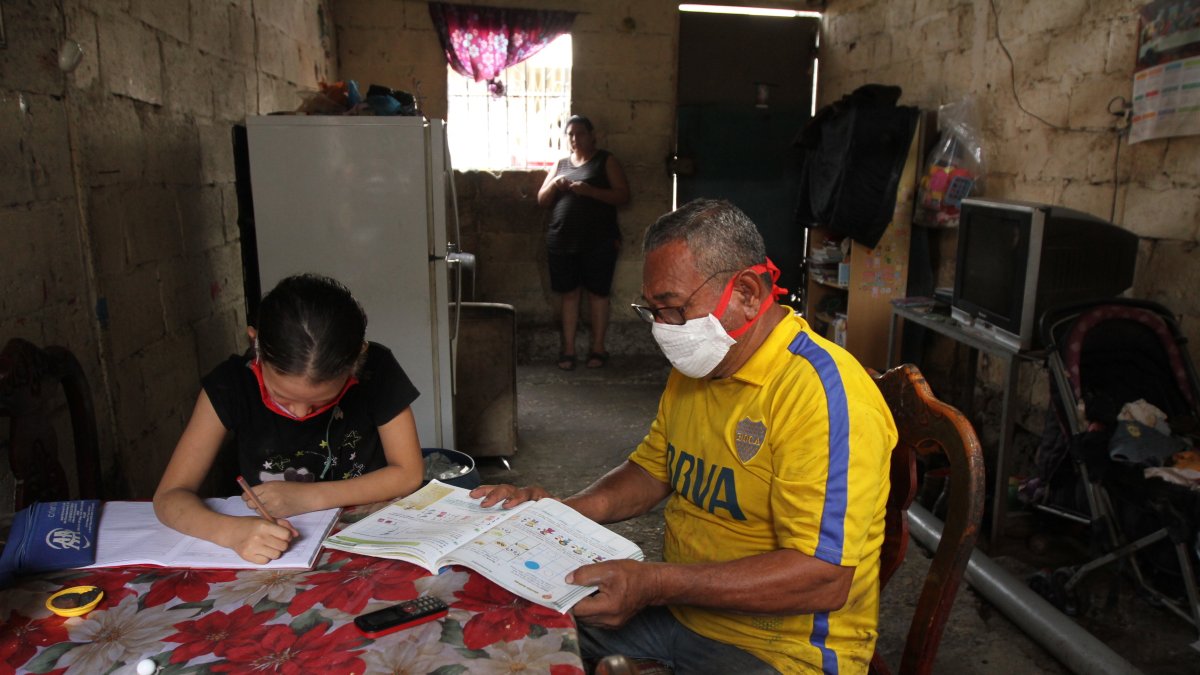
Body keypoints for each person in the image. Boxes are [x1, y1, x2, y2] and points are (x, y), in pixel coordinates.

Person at [473, 199, 897, 673]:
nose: (663, 330)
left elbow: (822, 580)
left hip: (782, 651)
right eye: (651, 310)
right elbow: (651, 471)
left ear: (748, 293)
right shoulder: (702, 367)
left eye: (673, 308)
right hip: (682, 613)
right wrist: (554, 514)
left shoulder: (819, 396)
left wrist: (654, 583)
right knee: (506, 628)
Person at [154, 273, 425, 564]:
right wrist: (230, 532)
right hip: (273, 550)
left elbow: (408, 473)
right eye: (281, 396)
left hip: (371, 542)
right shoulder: (231, 385)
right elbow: (170, 496)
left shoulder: (377, 370)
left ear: (357, 359)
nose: (300, 413)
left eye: (322, 400)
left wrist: (309, 497)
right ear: (255, 344)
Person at [537, 114, 631, 370]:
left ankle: (598, 349)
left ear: (592, 136)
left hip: (598, 240)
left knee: (598, 295)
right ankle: (568, 350)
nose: (575, 139)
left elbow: (623, 195)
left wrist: (590, 192)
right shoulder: (561, 164)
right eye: (570, 135)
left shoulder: (605, 160)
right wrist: (556, 184)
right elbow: (542, 200)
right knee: (569, 295)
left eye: (580, 134)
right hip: (563, 241)